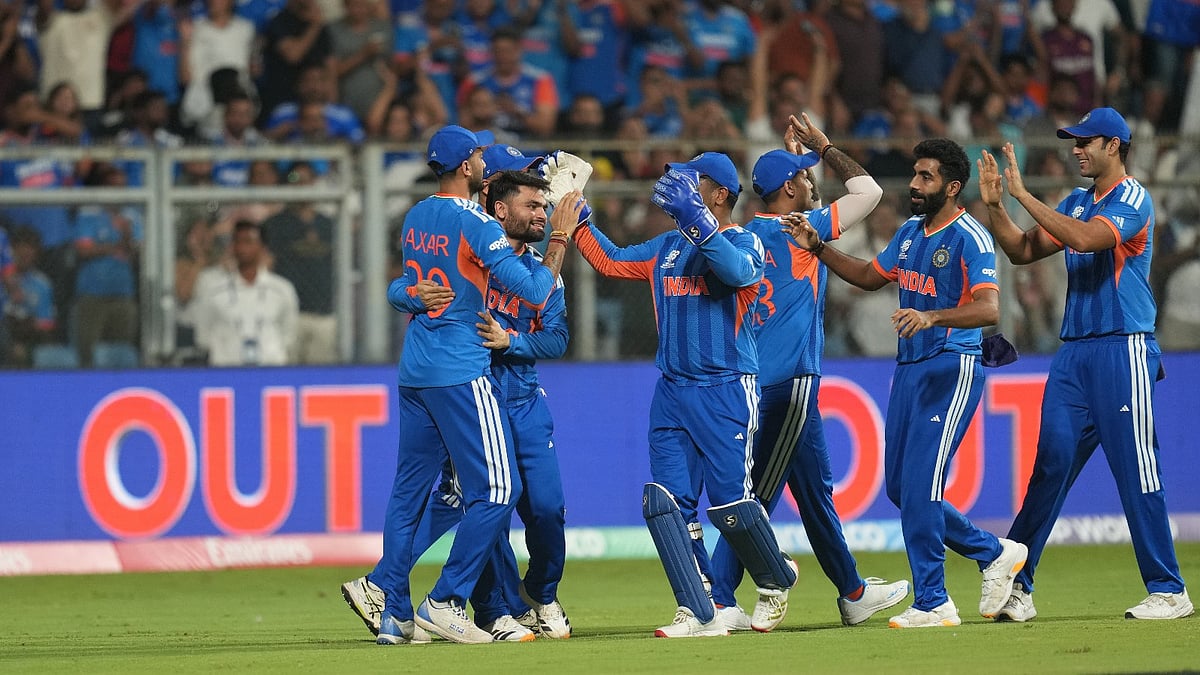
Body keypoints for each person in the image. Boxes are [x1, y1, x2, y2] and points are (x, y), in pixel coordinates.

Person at [787, 138, 1027, 628]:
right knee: (901, 488)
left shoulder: (970, 237)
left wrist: (932, 315)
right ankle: (994, 553)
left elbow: (989, 309)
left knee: (919, 487)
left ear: (952, 187)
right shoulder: (911, 232)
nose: (914, 185)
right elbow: (871, 276)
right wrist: (819, 248)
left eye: (926, 177)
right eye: (915, 175)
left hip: (951, 368)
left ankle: (935, 600)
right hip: (910, 372)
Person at [343, 164, 576, 644]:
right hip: (469, 390)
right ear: (499, 207)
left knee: (542, 507)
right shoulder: (476, 248)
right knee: (480, 496)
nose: (541, 213)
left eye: (543, 205)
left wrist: (510, 341)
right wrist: (409, 292)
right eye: (532, 204)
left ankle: (533, 597)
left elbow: (556, 339)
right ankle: (486, 609)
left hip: (519, 398)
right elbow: (401, 285)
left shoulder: (519, 264)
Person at [977, 108, 1193, 621]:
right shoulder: (1075, 200)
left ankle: (1168, 590)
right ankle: (1018, 587)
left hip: (1124, 348)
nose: (1076, 149)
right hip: (1073, 353)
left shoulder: (1134, 199)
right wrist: (996, 208)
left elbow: (1085, 239)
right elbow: (1022, 251)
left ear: (1114, 145)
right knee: (1049, 466)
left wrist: (1024, 195)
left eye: (1085, 141)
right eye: (1073, 141)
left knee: (1136, 469)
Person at [574, 151, 798, 637]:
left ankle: (775, 578)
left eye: (692, 181)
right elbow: (610, 261)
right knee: (667, 503)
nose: (677, 185)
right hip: (672, 389)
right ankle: (701, 608)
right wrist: (576, 218)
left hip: (726, 389)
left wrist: (696, 219)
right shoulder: (665, 247)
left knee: (729, 504)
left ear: (719, 194)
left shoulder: (748, 240)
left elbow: (738, 274)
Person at [708, 113, 910, 630]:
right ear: (790, 191)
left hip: (758, 377)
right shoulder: (804, 230)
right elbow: (867, 192)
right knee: (754, 496)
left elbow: (800, 197)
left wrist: (795, 168)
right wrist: (824, 148)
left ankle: (853, 592)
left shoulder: (741, 235)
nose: (809, 180)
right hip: (789, 382)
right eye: (801, 176)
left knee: (815, 494)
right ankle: (719, 597)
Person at [192, 220, 299, 366]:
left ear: (262, 247)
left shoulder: (282, 290)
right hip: (227, 370)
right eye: (238, 242)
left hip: (271, 370)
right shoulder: (214, 291)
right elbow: (203, 337)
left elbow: (288, 335)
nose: (242, 248)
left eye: (248, 242)